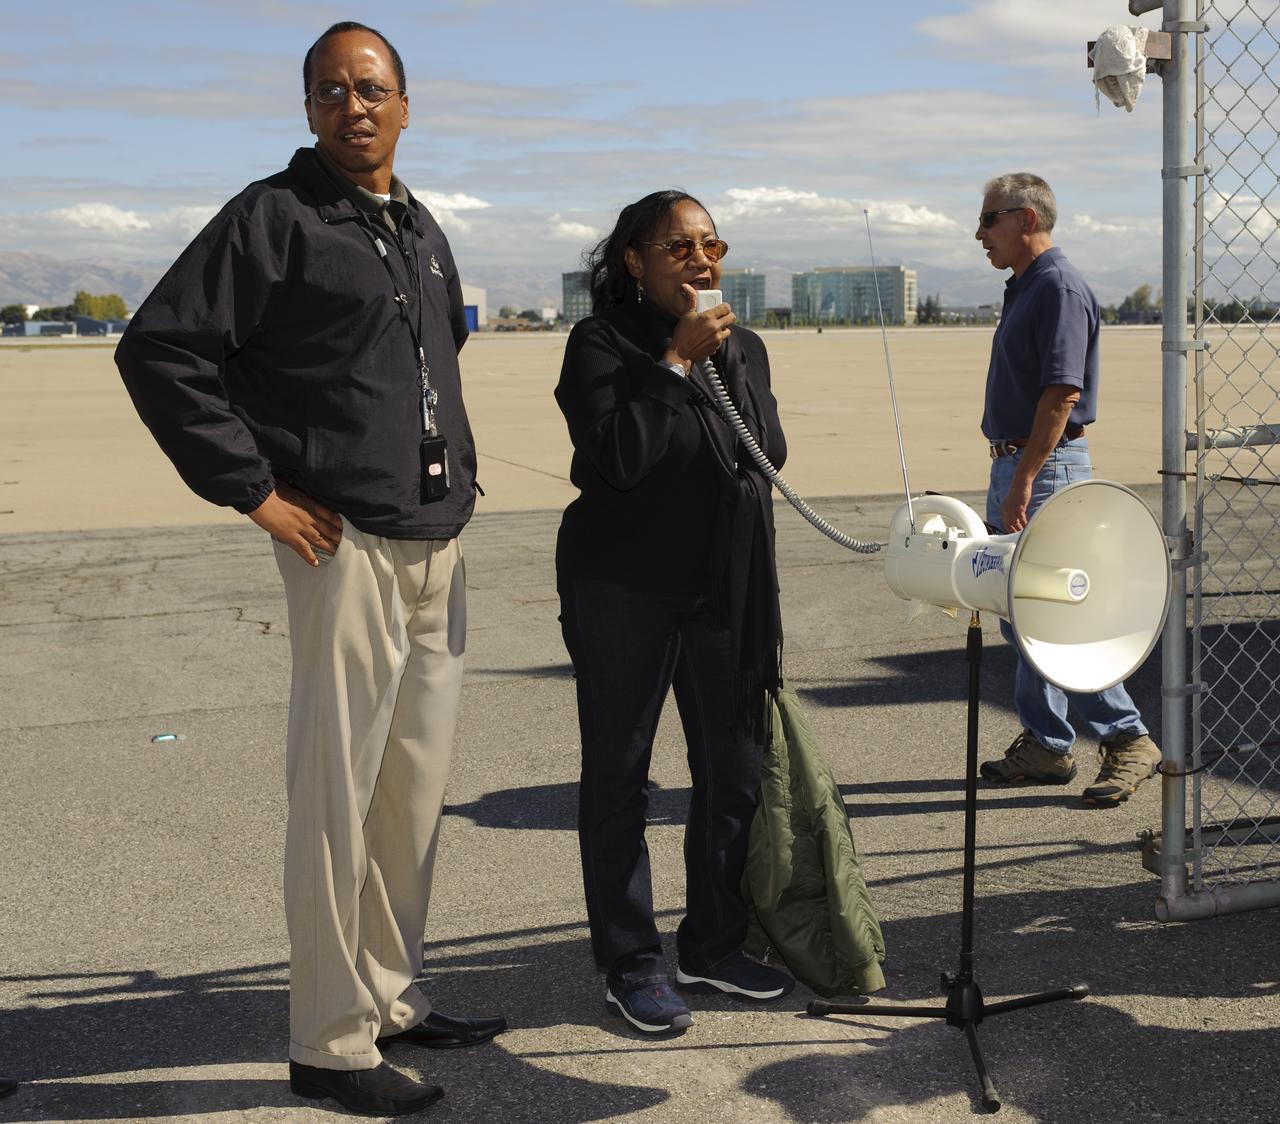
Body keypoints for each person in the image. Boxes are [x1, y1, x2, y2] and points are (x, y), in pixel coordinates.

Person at [115, 22, 504, 1117]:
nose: (353, 106)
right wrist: (255, 490)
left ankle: (391, 994)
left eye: (371, 88)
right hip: (344, 548)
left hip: (436, 541)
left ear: (406, 103)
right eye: (329, 91)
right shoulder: (271, 219)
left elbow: (427, 362)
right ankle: (328, 1043)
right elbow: (160, 350)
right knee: (336, 801)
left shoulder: (418, 227)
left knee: (411, 798)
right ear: (307, 111)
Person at [554, 190, 795, 1035]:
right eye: (677, 248)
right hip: (622, 589)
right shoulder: (600, 343)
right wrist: (676, 366)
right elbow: (618, 458)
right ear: (634, 261)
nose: (700, 261)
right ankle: (630, 960)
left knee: (731, 772)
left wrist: (718, 362)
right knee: (620, 777)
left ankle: (714, 943)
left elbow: (767, 453)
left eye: (709, 245)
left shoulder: (744, 345)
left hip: (722, 592)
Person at [973, 172, 1162, 806]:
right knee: (1022, 614)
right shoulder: (1026, 286)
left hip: (1044, 468)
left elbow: (1062, 393)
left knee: (1055, 611)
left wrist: (1024, 478)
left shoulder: (1056, 286)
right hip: (1023, 464)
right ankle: (1049, 745)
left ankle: (1127, 737)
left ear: (1026, 220)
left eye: (990, 219)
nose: (981, 233)